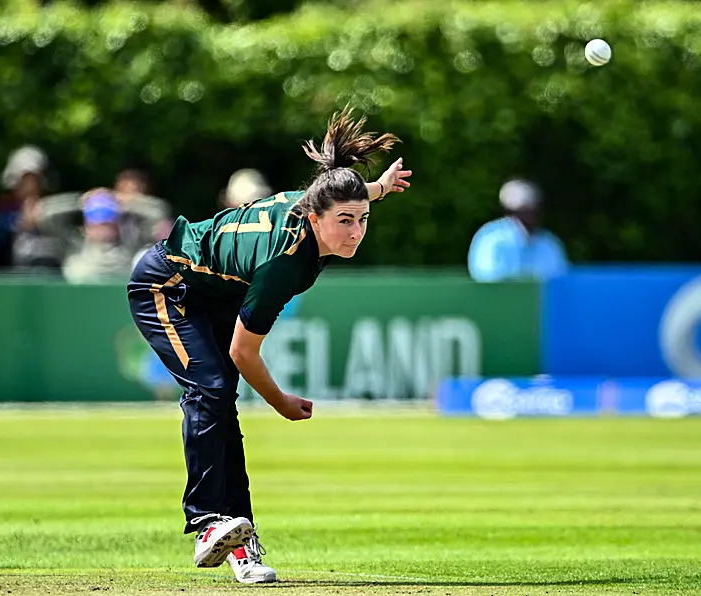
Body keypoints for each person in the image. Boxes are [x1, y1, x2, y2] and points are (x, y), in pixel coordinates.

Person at [127, 107, 412, 583]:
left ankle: (241, 541)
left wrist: (378, 188)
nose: (356, 231)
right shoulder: (285, 263)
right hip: (166, 285)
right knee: (212, 389)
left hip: (213, 292)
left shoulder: (319, 203)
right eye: (345, 221)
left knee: (222, 407)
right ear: (315, 217)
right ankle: (205, 522)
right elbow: (244, 352)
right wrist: (280, 402)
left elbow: (351, 195)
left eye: (362, 219)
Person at [467, 178, 569, 282]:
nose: (531, 212)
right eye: (524, 208)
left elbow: (560, 281)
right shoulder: (491, 239)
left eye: (535, 206)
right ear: (509, 210)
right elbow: (486, 281)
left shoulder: (549, 243)